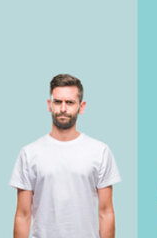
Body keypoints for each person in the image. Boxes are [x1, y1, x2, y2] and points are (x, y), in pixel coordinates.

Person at [11, 74, 119, 238]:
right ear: (49, 105)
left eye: (69, 102)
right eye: (57, 102)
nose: (63, 108)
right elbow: (22, 215)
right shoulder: (29, 153)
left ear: (81, 107)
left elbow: (106, 212)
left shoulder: (100, 151)